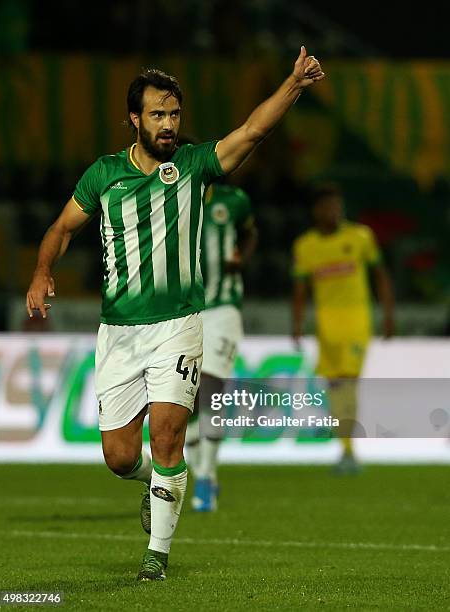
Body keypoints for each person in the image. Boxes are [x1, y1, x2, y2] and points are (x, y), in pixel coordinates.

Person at [26, 47, 325, 582]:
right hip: (118, 332)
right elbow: (61, 228)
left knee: (168, 437)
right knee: (120, 457)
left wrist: (294, 85)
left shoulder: (191, 167)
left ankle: (155, 559)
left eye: (175, 115)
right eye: (158, 115)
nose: (168, 125)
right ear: (134, 119)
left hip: (179, 326)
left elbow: (252, 132)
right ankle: (154, 483)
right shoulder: (104, 176)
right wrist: (42, 269)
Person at [292, 183, 395, 473]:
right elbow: (300, 289)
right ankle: (345, 448)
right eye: (327, 207)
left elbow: (380, 275)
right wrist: (297, 324)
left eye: (337, 206)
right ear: (316, 211)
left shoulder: (361, 237)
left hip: (356, 323)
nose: (334, 211)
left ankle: (348, 451)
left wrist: (388, 313)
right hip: (325, 326)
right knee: (336, 385)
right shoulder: (305, 245)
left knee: (347, 381)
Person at [186, 177, 257, 511]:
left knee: (212, 387)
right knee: (185, 394)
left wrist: (241, 255)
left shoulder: (233, 200)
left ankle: (204, 475)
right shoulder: (165, 201)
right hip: (183, 312)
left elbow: (250, 231)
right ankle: (203, 474)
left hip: (223, 308)